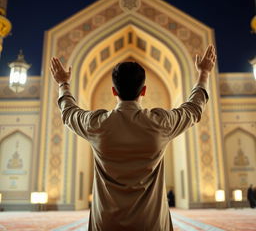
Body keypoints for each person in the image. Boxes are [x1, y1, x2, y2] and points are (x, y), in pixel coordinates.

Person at [50, 45, 216, 231]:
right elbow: (194, 108)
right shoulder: (161, 123)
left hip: (107, 224)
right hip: (150, 224)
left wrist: (63, 83)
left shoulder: (96, 124)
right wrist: (204, 73)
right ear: (143, 90)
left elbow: (69, 112)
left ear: (114, 91)